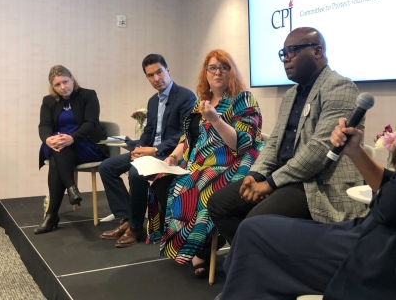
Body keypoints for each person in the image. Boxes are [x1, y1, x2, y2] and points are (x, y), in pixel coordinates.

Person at [215, 0, 396, 300]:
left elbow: (392, 204)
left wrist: (270, 183)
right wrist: (355, 152)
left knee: (254, 232)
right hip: (385, 235)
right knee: (248, 228)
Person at [207, 27, 368, 246]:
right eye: (283, 53)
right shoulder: (291, 93)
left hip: (316, 183)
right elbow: (274, 143)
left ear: (317, 51)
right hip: (282, 176)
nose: (286, 59)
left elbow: (320, 150)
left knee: (255, 222)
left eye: (293, 51)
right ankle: (256, 263)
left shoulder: (339, 87)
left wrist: (270, 184)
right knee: (219, 204)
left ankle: (255, 265)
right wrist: (255, 175)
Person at [146, 49, 264, 275]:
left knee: (197, 185)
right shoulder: (203, 102)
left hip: (232, 163)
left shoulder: (243, 99)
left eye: (224, 67)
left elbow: (241, 144)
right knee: (160, 181)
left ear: (232, 72)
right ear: (206, 73)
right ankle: (196, 242)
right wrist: (173, 157)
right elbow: (188, 138)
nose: (218, 72)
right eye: (213, 68)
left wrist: (215, 119)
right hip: (199, 161)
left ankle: (203, 246)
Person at [99, 54, 196, 247]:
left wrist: (155, 149)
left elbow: (185, 133)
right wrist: (139, 148)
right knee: (106, 167)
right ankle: (126, 218)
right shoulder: (153, 101)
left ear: (167, 71)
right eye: (150, 75)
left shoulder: (186, 97)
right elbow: (149, 130)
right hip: (150, 151)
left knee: (136, 173)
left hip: (170, 153)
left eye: (159, 72)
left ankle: (135, 228)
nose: (156, 78)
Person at [37, 65, 108, 234]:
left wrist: (72, 138)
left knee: (56, 160)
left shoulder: (88, 95)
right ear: (52, 87)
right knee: (58, 149)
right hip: (57, 144)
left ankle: (52, 215)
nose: (63, 87)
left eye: (65, 82)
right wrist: (48, 139)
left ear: (72, 79)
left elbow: (91, 123)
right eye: (57, 85)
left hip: (84, 143)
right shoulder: (48, 101)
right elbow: (44, 125)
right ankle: (71, 188)